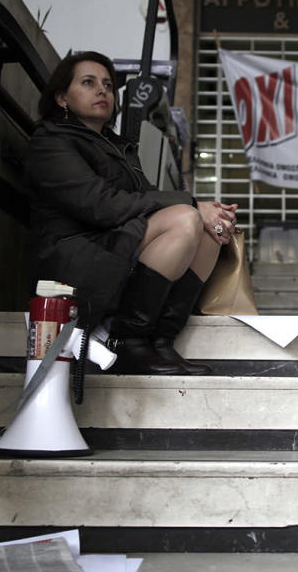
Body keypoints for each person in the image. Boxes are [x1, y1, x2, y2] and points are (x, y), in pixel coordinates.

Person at [25, 51, 238, 375]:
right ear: (61, 98)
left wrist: (208, 211)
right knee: (186, 218)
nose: (103, 91)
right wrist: (193, 205)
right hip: (76, 254)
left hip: (113, 244)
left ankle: (162, 341)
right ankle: (127, 341)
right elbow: (102, 206)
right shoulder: (50, 142)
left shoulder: (117, 147)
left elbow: (146, 198)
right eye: (88, 82)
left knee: (214, 229)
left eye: (108, 85)